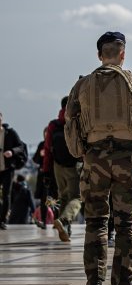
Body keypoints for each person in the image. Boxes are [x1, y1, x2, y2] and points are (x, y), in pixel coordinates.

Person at [64, 31, 132, 285]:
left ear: (99, 55)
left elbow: (70, 117)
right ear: (122, 54)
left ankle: (94, 281)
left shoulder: (82, 85)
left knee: (95, 221)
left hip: (93, 159)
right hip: (126, 159)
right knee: (127, 224)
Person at [48, 97, 82, 242]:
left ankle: (65, 231)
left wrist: (46, 170)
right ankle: (64, 220)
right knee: (77, 197)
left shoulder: (53, 125)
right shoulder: (77, 121)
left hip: (57, 165)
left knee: (63, 196)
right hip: (73, 165)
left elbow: (47, 148)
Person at [1, 111, 28, 229]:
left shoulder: (10, 133)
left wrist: (11, 151)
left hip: (7, 169)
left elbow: (21, 146)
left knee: (6, 194)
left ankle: (2, 220)